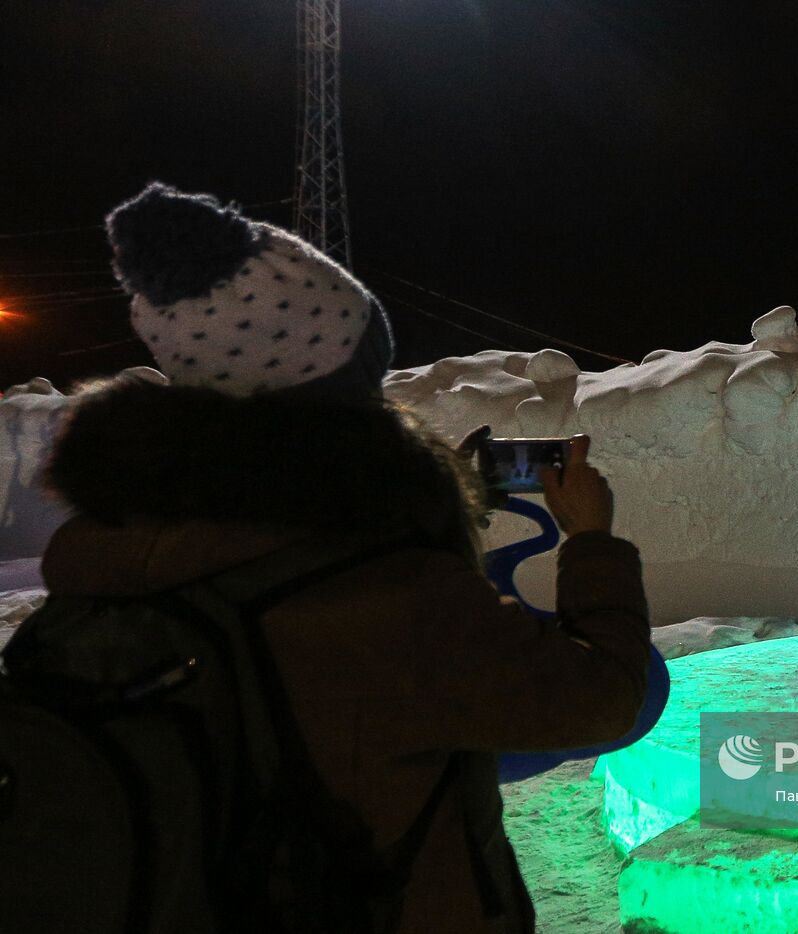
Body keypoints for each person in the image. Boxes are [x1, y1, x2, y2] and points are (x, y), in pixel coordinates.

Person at [39, 183, 651, 932]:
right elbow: (608, 699)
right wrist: (592, 542)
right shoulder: (385, 596)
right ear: (338, 391)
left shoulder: (111, 559)